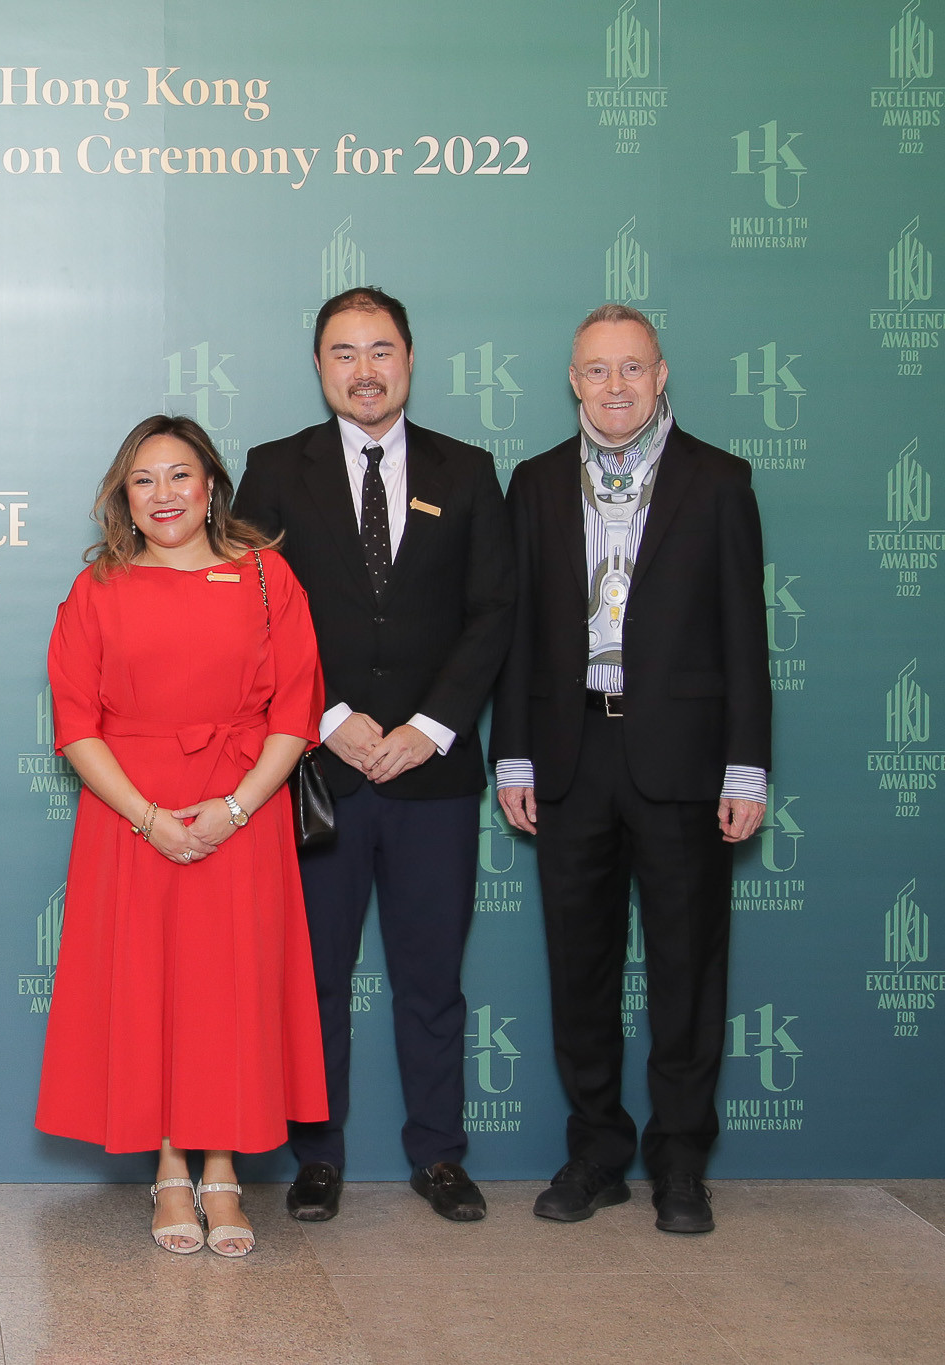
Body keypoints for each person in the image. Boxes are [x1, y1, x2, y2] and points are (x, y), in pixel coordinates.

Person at [233, 287, 515, 1224]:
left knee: (432, 980)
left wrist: (430, 726)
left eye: (381, 350)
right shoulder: (276, 469)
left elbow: (494, 612)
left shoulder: (467, 470)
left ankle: (439, 1155)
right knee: (314, 979)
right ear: (319, 367)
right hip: (318, 773)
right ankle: (317, 1157)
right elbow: (253, 613)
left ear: (410, 358)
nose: (365, 370)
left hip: (435, 777)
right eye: (344, 353)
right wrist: (328, 716)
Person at [492, 304, 770, 1235]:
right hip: (570, 752)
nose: (616, 386)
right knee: (581, 968)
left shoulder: (719, 480)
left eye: (633, 368)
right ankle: (598, 1154)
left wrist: (746, 768)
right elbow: (518, 632)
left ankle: (681, 1163)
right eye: (598, 370)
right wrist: (514, 750)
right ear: (573, 380)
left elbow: (746, 636)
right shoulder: (534, 483)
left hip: (684, 759)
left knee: (688, 968)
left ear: (662, 375)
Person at [38, 414, 328, 1258]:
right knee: (149, 988)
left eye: (178, 475)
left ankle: (223, 1170)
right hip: (131, 816)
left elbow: (297, 709)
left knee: (230, 988)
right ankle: (169, 1168)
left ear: (210, 488)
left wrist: (235, 808)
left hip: (243, 809)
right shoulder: (97, 588)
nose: (163, 494)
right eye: (143, 479)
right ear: (123, 498)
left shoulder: (269, 576)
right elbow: (75, 723)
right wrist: (148, 816)